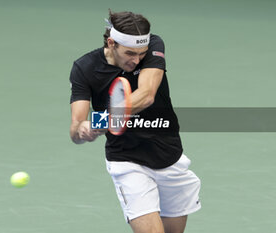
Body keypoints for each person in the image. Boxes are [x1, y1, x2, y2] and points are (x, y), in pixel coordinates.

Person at [69, 10, 201, 233]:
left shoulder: (153, 44)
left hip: (169, 154)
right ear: (111, 43)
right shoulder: (85, 68)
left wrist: (104, 120)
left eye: (141, 53)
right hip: (127, 161)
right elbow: (75, 128)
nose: (136, 59)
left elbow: (147, 94)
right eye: (129, 53)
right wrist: (83, 129)